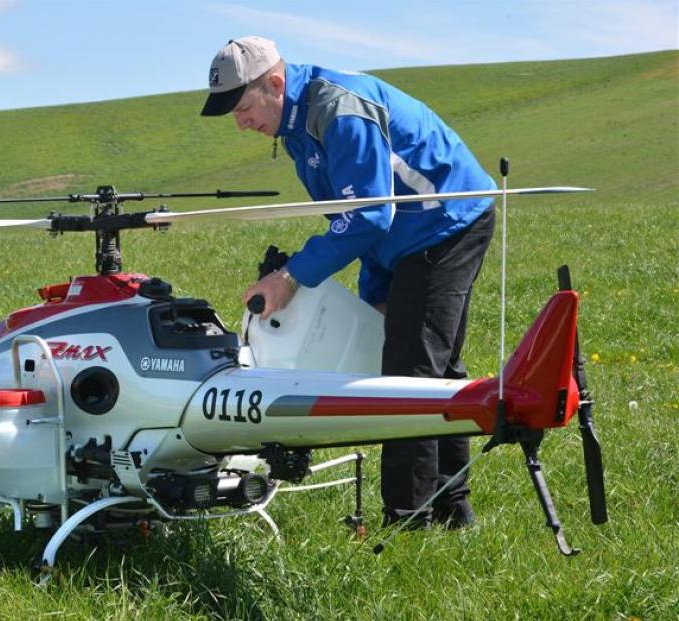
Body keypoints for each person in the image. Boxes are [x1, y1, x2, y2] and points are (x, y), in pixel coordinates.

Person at [201, 36, 496, 529]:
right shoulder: (296, 123)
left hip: (447, 224)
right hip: (403, 236)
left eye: (245, 107)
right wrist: (375, 295)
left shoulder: (338, 112)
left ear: (275, 84)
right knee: (434, 367)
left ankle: (408, 521)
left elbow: (369, 216)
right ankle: (452, 511)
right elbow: (359, 219)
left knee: (410, 378)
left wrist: (290, 278)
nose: (241, 122)